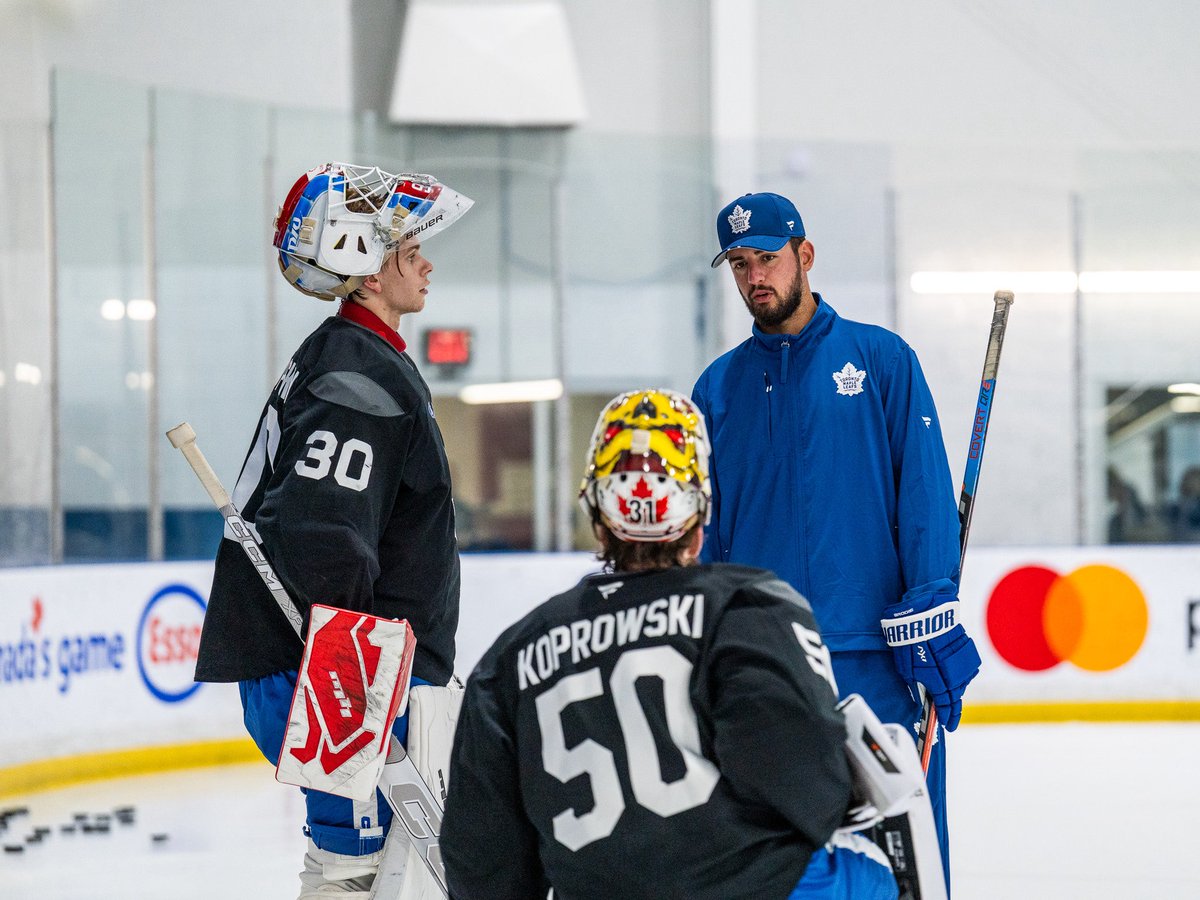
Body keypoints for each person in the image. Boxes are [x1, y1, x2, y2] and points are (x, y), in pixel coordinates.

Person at [442, 388, 899, 899]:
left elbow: (480, 865)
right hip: (752, 888)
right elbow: (807, 784)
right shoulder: (746, 606)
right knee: (878, 867)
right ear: (700, 519)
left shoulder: (510, 659)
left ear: (597, 518)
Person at [193, 162, 472, 898]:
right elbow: (325, 538)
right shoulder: (358, 377)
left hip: (346, 672)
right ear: (371, 274)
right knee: (358, 871)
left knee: (383, 870)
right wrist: (354, 695)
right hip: (342, 678)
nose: (428, 265)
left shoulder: (353, 359)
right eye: (411, 253)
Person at [692, 192, 982, 890]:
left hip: (873, 660)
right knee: (777, 855)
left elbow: (924, 501)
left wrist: (931, 609)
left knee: (899, 856)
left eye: (766, 258)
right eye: (739, 263)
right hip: (767, 665)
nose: (754, 276)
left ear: (805, 256)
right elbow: (708, 537)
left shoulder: (881, 360)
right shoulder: (717, 389)